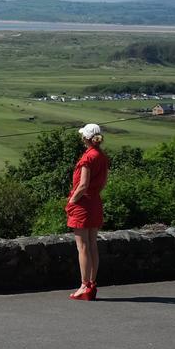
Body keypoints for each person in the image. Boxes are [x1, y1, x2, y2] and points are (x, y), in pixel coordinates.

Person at [66, 123, 109, 300]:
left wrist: (72, 201)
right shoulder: (102, 156)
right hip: (95, 202)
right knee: (92, 245)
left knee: (82, 247)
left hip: (83, 204)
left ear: (86, 138)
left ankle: (84, 286)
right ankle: (92, 283)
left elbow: (82, 185)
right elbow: (103, 183)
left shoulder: (88, 158)